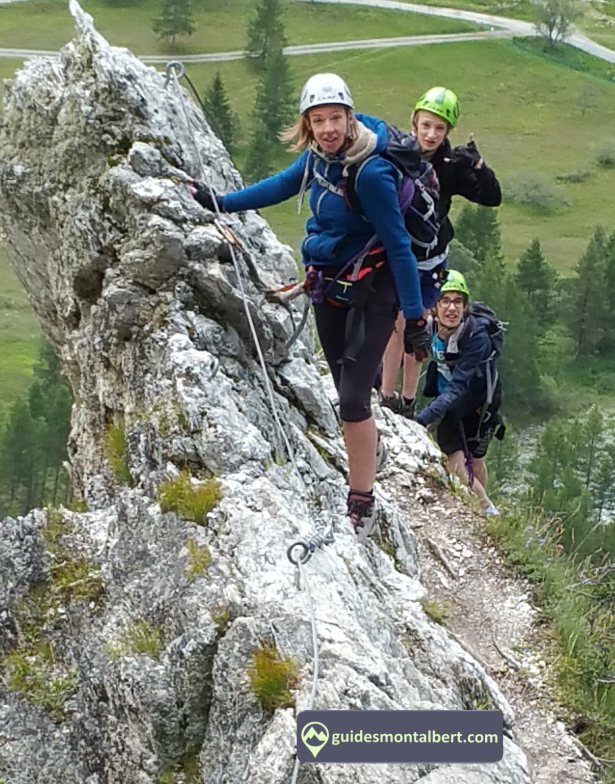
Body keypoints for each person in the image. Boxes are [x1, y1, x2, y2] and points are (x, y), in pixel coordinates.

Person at [190, 73, 430, 539]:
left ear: (350, 115)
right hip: (331, 284)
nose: (327, 129)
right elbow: (281, 184)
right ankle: (370, 448)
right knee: (344, 385)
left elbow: (400, 246)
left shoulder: (372, 172)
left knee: (354, 399)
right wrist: (220, 202)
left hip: (376, 287)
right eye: (317, 120)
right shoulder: (319, 159)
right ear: (307, 124)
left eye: (335, 118)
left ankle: (361, 501)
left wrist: (416, 318)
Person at [380, 87, 502, 416]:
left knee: (415, 323)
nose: (432, 134)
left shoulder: (451, 165)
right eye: (426, 126)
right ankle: (387, 394)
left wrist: (478, 166)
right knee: (396, 322)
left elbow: (491, 197)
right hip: (395, 251)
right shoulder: (395, 153)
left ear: (448, 131)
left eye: (440, 128)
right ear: (414, 123)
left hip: (429, 257)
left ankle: (405, 399)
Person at [414, 270, 502, 517]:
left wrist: (424, 417)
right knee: (455, 464)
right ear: (434, 306)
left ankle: (485, 506)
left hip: (481, 405)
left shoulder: (476, 337)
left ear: (465, 307)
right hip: (452, 403)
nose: (451, 308)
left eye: (458, 301)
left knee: (475, 459)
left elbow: (458, 384)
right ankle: (487, 510)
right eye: (445, 300)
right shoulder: (429, 327)